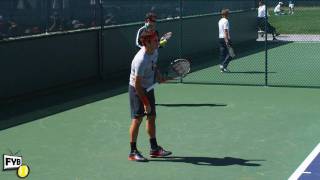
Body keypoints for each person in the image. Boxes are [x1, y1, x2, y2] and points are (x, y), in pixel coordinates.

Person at [128, 30, 172, 162]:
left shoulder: (155, 50)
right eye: (155, 41)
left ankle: (154, 149)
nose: (158, 42)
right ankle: (132, 152)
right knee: (138, 119)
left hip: (148, 87)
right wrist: (146, 103)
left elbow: (154, 64)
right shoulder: (140, 60)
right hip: (137, 90)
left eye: (158, 40)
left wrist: (158, 76)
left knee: (151, 117)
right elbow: (137, 85)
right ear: (146, 42)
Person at [218, 9, 233, 73]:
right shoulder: (226, 21)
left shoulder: (220, 20)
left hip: (220, 38)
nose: (228, 14)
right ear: (226, 14)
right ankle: (224, 65)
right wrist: (227, 40)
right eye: (228, 13)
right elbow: (225, 31)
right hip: (225, 39)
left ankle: (222, 67)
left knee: (223, 53)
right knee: (231, 53)